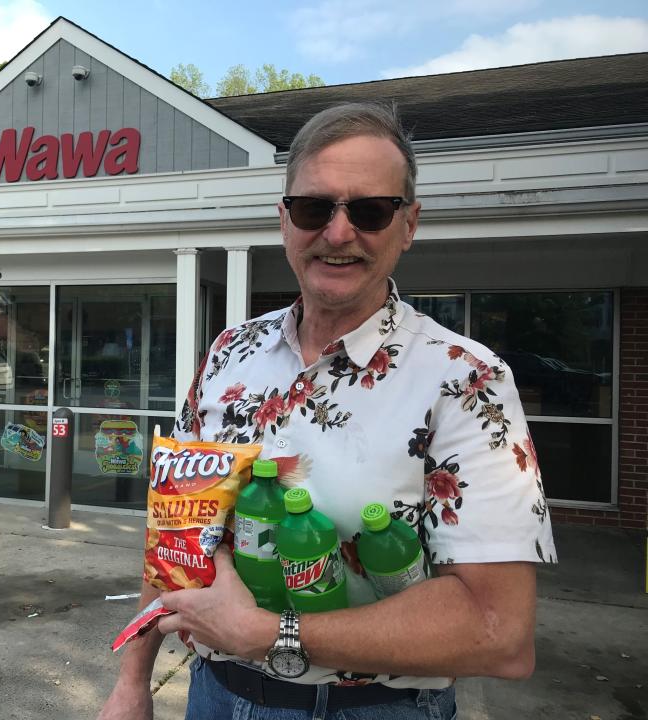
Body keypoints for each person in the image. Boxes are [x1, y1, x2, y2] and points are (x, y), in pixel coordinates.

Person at [97, 102, 557, 720]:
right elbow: (178, 530)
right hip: (215, 697)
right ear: (284, 220)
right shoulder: (231, 353)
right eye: (315, 208)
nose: (338, 234)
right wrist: (133, 680)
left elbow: (499, 631)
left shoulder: (465, 378)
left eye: (369, 210)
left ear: (410, 224)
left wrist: (267, 634)